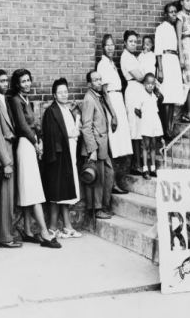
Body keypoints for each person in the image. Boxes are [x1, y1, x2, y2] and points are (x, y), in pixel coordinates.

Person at [9, 69, 61, 249]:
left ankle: (28, 231)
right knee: (34, 188)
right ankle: (45, 233)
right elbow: (23, 126)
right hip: (25, 145)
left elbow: (33, 124)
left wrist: (38, 139)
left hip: (31, 144)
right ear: (17, 84)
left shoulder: (26, 100)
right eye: (23, 81)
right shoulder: (16, 100)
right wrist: (36, 142)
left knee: (28, 187)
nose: (27, 84)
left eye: (28, 80)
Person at [41, 78, 82, 239]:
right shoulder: (52, 111)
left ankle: (66, 226)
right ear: (54, 95)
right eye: (60, 92)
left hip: (69, 154)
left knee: (65, 191)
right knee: (57, 192)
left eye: (65, 91)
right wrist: (69, 135)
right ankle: (53, 227)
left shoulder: (67, 110)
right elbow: (51, 135)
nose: (64, 95)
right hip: (58, 157)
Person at [0, 69, 22, 249]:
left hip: (10, 150)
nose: (5, 84)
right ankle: (4, 237)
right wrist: (6, 162)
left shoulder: (4, 101)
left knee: (9, 197)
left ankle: (5, 234)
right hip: (4, 156)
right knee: (4, 199)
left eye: (6, 81)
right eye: (1, 81)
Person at [96, 34, 131, 193]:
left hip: (119, 99)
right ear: (103, 47)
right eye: (107, 45)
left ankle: (118, 181)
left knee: (121, 144)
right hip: (112, 104)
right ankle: (113, 184)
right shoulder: (103, 64)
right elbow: (104, 92)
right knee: (115, 145)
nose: (110, 48)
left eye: (112, 45)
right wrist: (114, 115)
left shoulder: (111, 63)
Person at [81, 71, 114, 220]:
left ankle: (103, 206)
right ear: (89, 84)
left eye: (100, 79)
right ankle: (96, 209)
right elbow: (86, 127)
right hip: (95, 146)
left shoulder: (99, 97)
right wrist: (92, 149)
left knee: (108, 174)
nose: (99, 82)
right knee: (97, 179)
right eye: (95, 80)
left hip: (103, 145)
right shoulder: (89, 99)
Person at [155, 2, 184, 142]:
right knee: (166, 97)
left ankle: (170, 128)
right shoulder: (161, 28)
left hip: (174, 61)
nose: (173, 14)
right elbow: (158, 50)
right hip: (165, 61)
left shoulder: (174, 28)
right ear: (165, 14)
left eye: (175, 12)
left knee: (172, 97)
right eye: (171, 12)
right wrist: (160, 70)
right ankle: (166, 130)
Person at [120, 30, 145, 173]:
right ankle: (135, 164)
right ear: (125, 43)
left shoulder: (133, 57)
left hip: (138, 90)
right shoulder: (126, 57)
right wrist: (146, 76)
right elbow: (140, 77)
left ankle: (140, 161)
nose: (134, 44)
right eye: (131, 41)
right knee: (135, 128)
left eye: (135, 42)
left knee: (140, 127)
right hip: (133, 90)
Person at [134, 73, 163, 178]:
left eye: (152, 84)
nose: (150, 86)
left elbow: (158, 106)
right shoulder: (141, 95)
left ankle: (153, 168)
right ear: (144, 84)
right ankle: (145, 168)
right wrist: (144, 117)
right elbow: (136, 110)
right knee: (146, 146)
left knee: (153, 146)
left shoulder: (155, 95)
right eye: (148, 84)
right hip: (146, 123)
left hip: (154, 122)